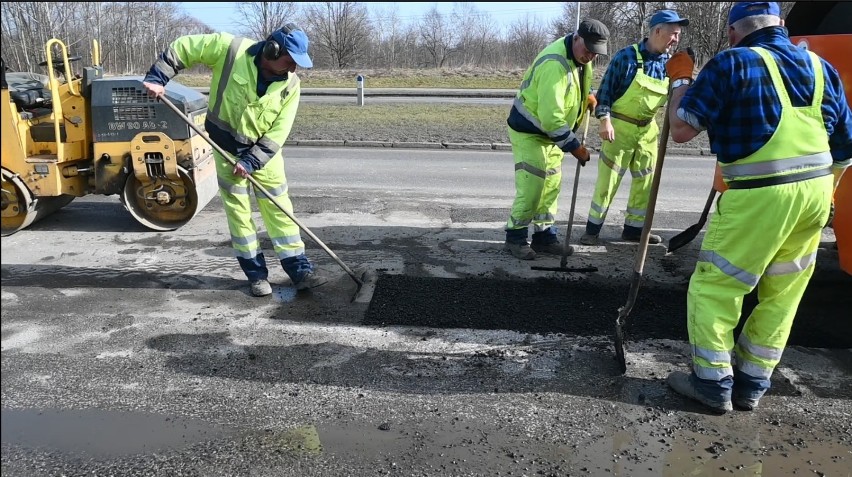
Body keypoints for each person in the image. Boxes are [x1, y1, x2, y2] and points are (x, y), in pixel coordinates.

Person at [665, 2, 852, 413]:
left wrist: (681, 79)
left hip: (761, 196)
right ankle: (752, 383)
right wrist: (827, 199)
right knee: (783, 293)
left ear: (733, 33)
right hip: (816, 197)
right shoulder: (821, 68)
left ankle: (712, 383)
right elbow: (845, 147)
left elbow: (681, 128)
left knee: (717, 285)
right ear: (782, 26)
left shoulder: (733, 63)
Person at [142, 24, 328, 297]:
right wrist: (158, 77)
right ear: (272, 49)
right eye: (289, 61)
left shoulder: (291, 85)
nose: (293, 69)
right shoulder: (230, 50)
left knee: (280, 208)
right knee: (239, 214)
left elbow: (279, 131)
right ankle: (256, 275)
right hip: (225, 149)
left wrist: (253, 160)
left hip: (264, 155)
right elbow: (185, 47)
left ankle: (299, 270)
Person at [579, 10, 689, 246]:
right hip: (619, 129)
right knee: (607, 182)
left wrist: (684, 77)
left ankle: (634, 230)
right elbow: (606, 92)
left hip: (648, 131)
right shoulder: (626, 58)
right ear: (657, 31)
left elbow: (679, 99)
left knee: (645, 183)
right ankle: (592, 230)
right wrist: (604, 119)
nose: (676, 40)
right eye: (673, 34)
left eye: (678, 35)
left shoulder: (670, 64)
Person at [503, 19, 608, 260]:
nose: (591, 56)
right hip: (530, 131)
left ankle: (545, 237)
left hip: (552, 137)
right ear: (577, 37)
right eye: (588, 49)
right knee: (532, 186)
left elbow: (577, 87)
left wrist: (588, 97)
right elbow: (551, 119)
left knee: (551, 186)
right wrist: (575, 147)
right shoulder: (554, 63)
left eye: (595, 53)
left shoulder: (581, 58)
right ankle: (515, 237)